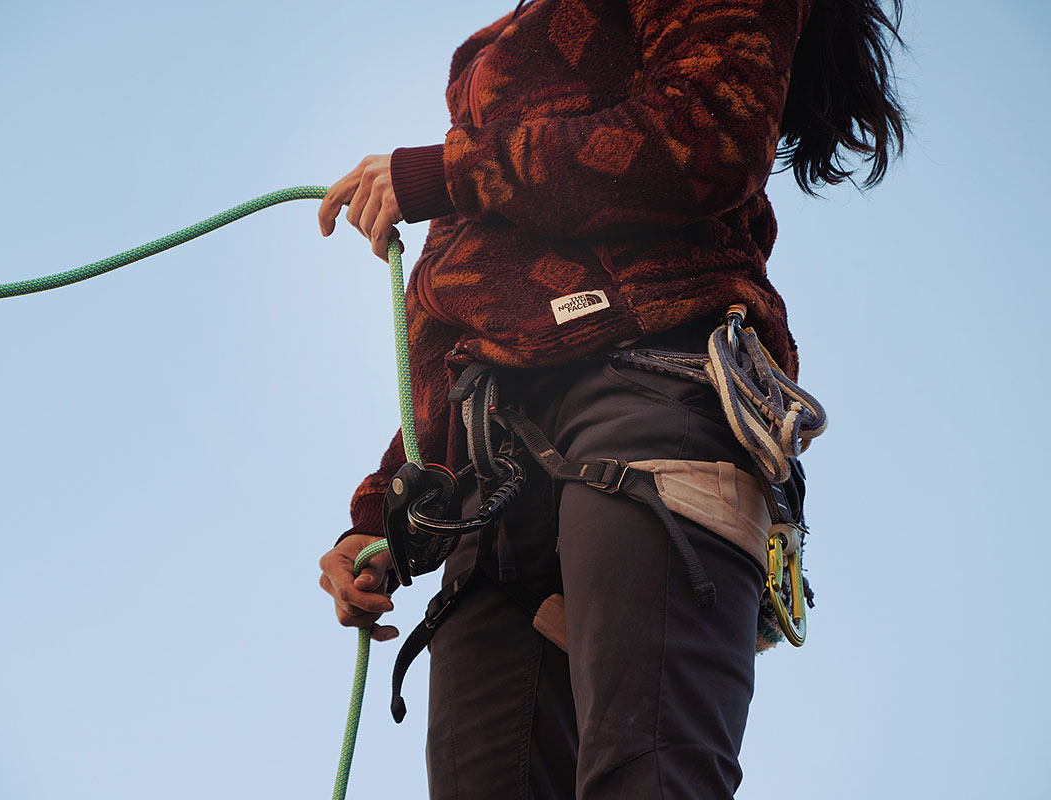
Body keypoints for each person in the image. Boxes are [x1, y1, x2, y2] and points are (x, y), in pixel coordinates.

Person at [317, 0, 906, 797]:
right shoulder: (494, 50)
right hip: (493, 470)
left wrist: (449, 172)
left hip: (650, 390)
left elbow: (709, 133)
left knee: (649, 778)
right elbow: (464, 311)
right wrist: (378, 516)